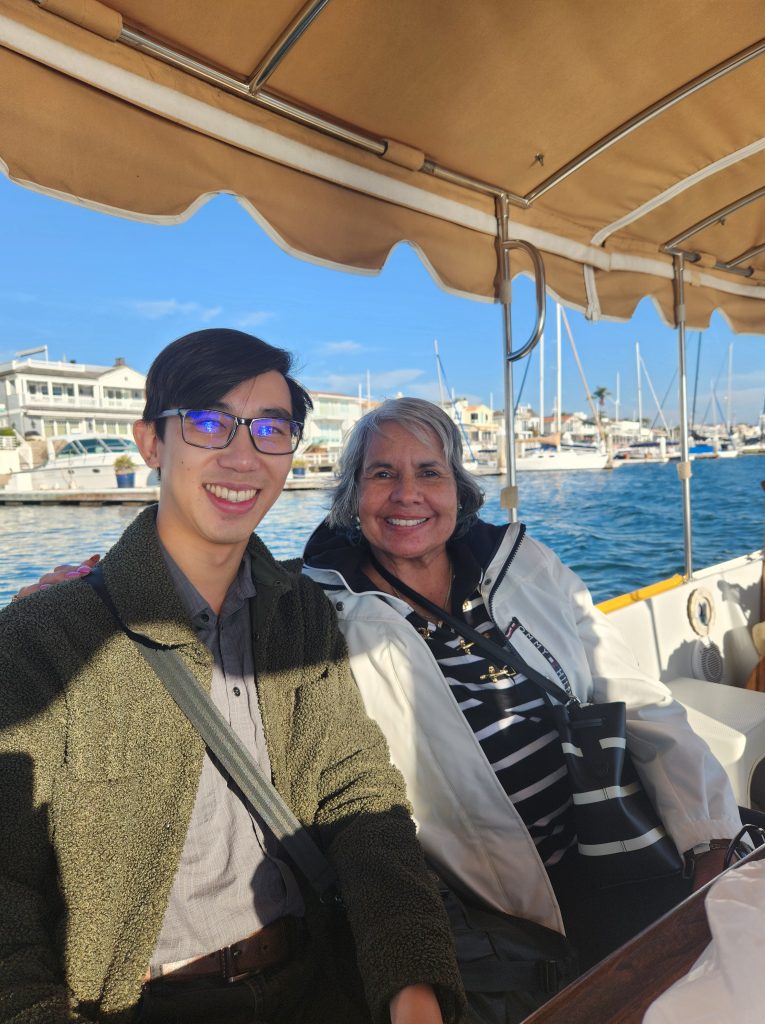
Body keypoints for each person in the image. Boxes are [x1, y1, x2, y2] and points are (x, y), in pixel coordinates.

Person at [0, 334, 465, 1024]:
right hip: (138, 1002)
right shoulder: (47, 639)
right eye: (210, 422)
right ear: (151, 442)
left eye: (271, 428)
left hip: (315, 977)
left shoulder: (299, 612)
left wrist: (413, 985)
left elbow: (356, 792)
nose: (243, 456)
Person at [299, 398, 742, 971]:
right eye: (382, 473)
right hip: (492, 918)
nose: (407, 493)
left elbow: (636, 697)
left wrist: (708, 838)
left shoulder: (520, 563)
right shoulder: (323, 615)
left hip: (619, 847)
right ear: (352, 497)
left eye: (429, 472)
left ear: (458, 489)